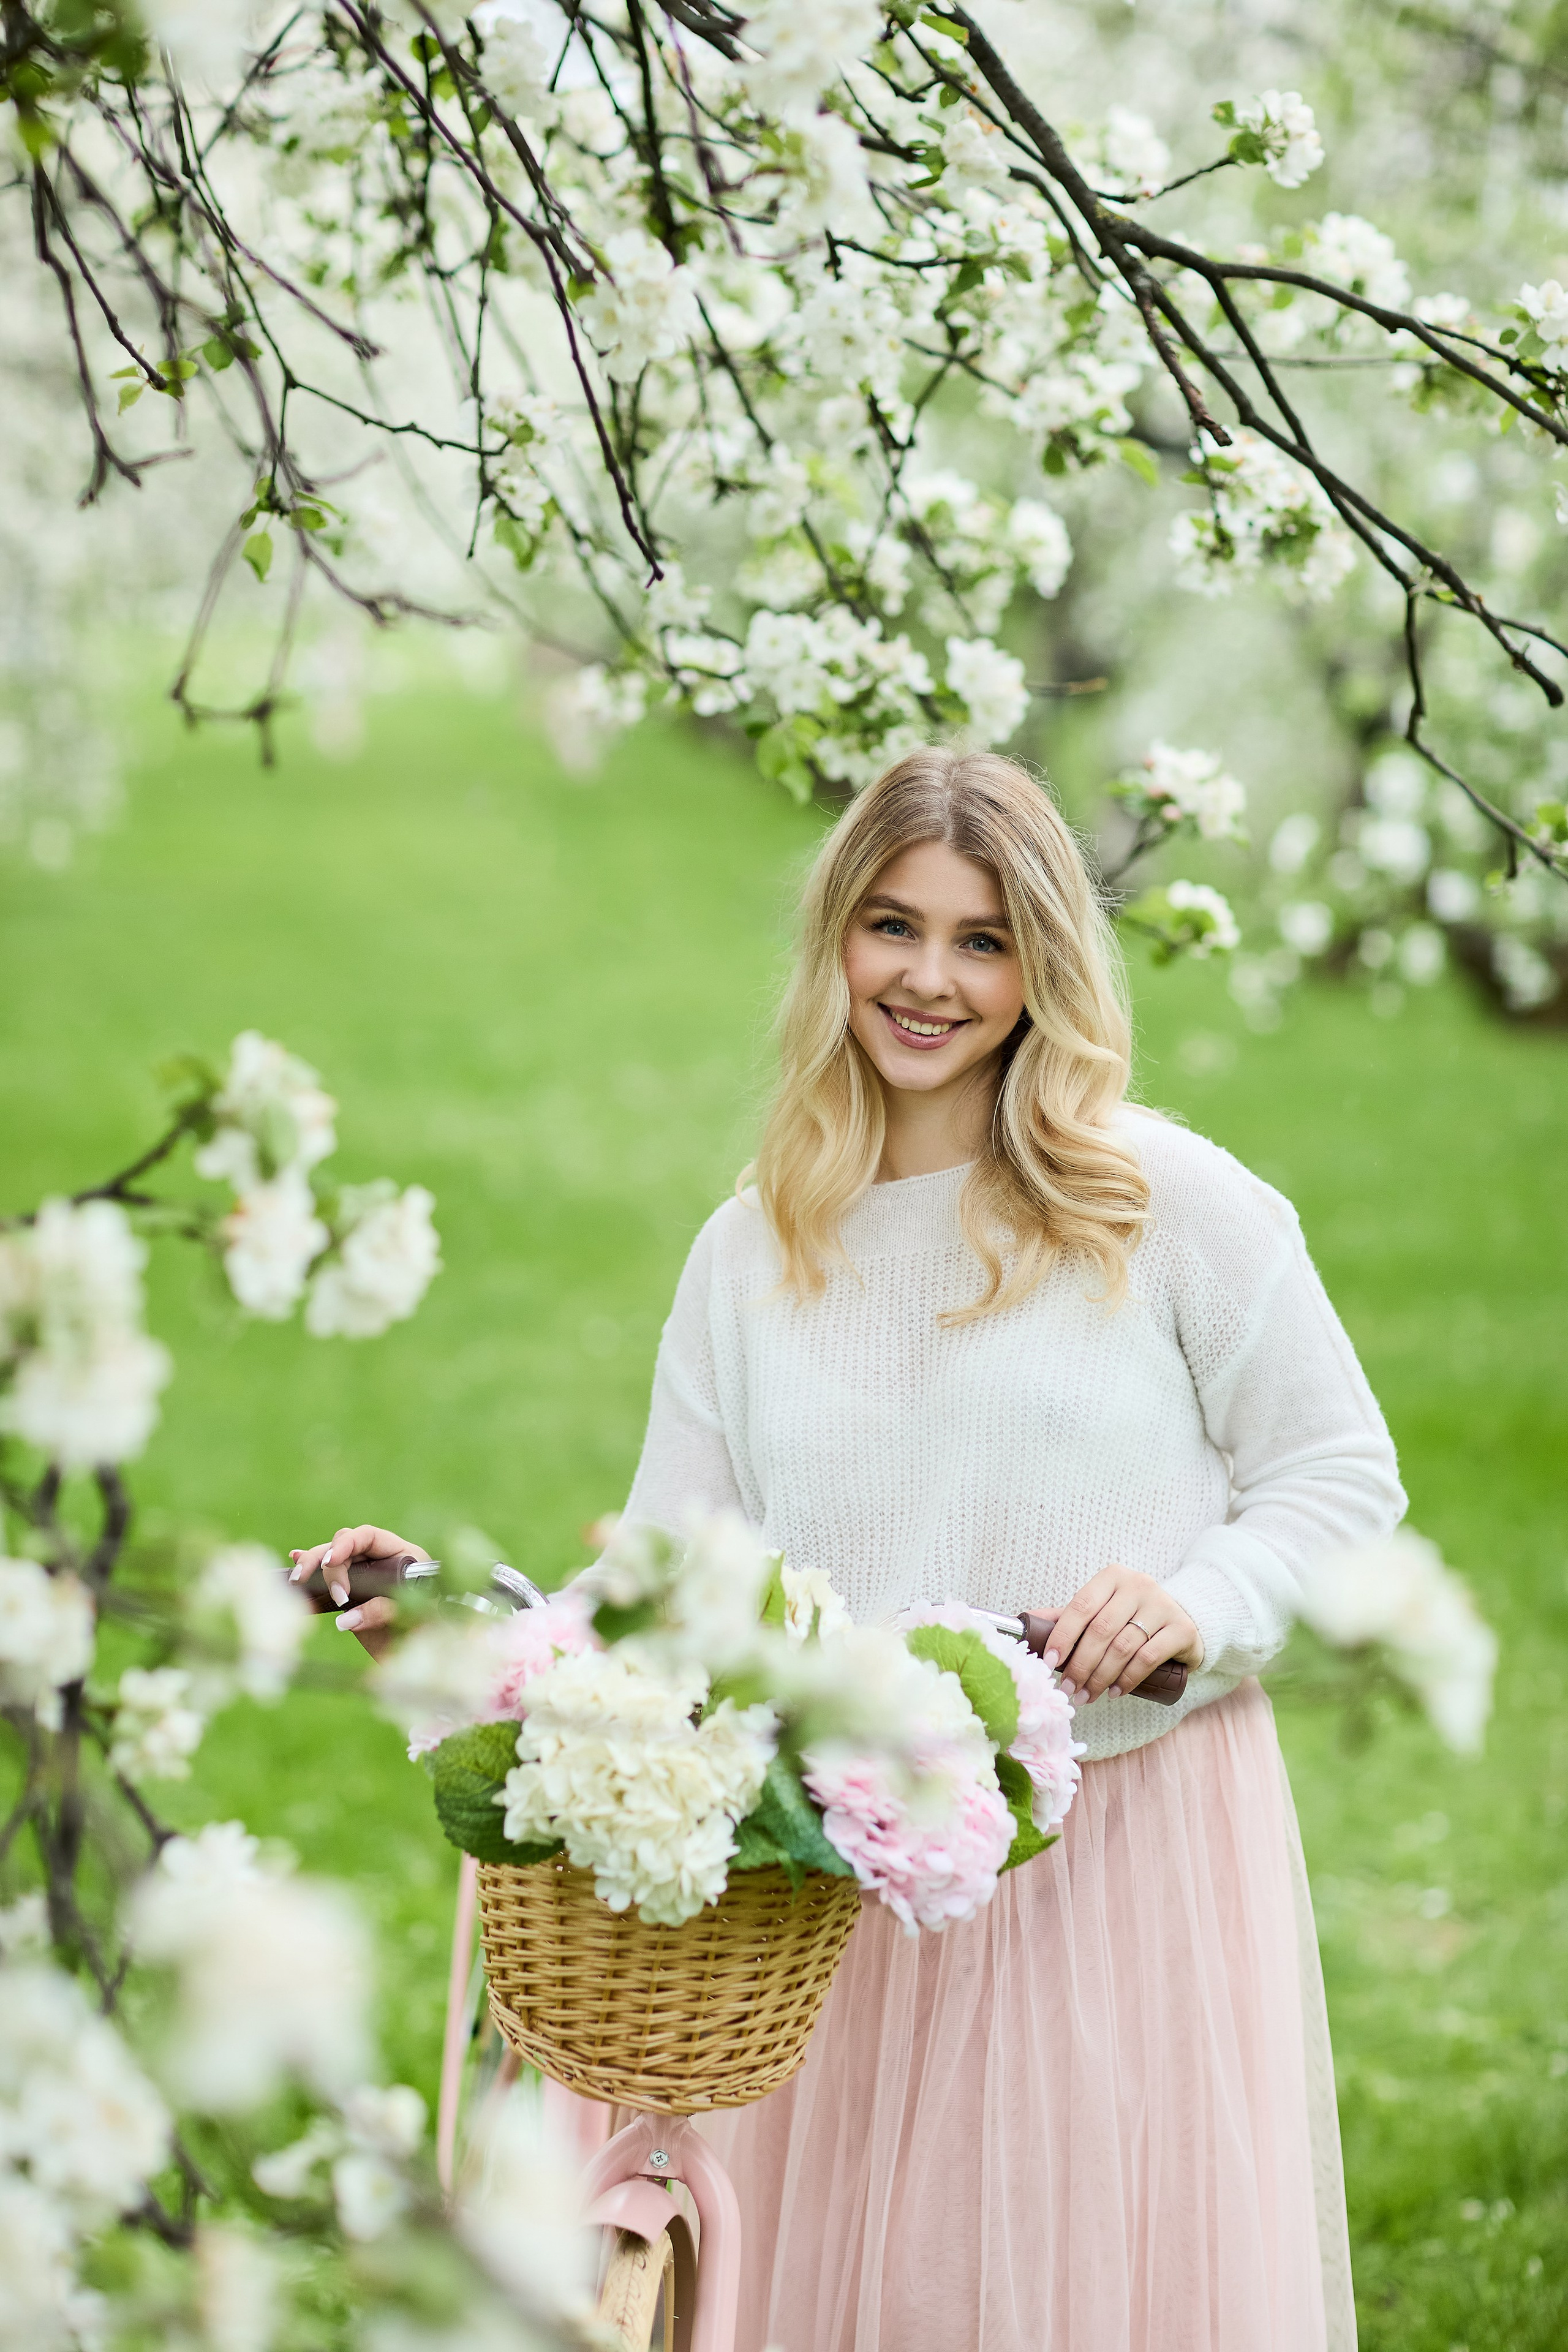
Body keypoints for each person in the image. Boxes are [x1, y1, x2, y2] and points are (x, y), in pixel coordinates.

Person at [293, 747, 1403, 2352]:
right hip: (836, 1895)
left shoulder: (1166, 1204)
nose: (930, 979)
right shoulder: (759, 1245)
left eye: (982, 937)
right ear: (836, 942)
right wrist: (461, 1631)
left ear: (1044, 962)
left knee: (1055, 2288)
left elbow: (1338, 1471)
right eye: (894, 927)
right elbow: (675, 1586)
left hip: (1110, 1863)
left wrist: (1200, 1603)